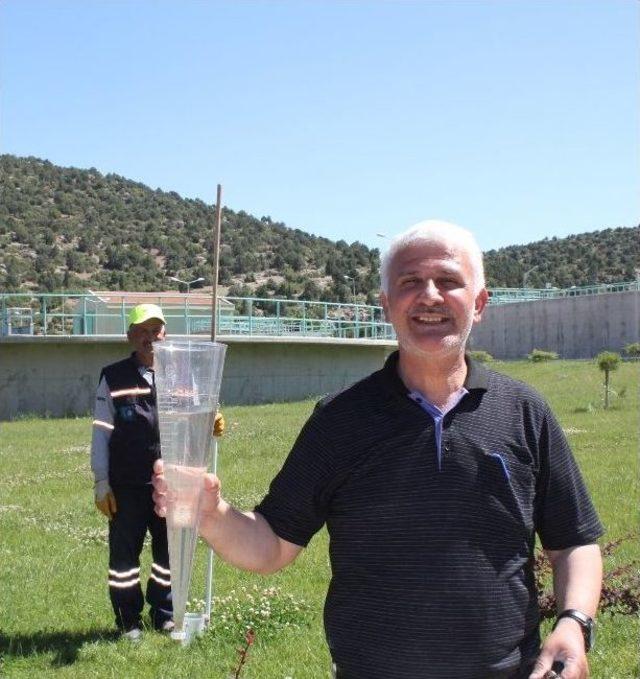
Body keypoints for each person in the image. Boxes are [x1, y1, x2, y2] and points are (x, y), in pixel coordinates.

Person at [153, 221, 603, 678]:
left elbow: (575, 542)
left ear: (480, 303)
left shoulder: (525, 411)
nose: (429, 295)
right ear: (386, 305)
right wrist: (210, 514)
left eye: (448, 281)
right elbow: (271, 545)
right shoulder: (339, 420)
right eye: (410, 282)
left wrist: (574, 622)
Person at [91, 303, 224, 640]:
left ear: (166, 334)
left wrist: (212, 419)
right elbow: (100, 432)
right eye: (142, 331)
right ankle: (128, 621)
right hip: (127, 484)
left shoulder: (182, 373)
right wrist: (101, 482)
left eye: (156, 330)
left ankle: (164, 613)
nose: (150, 337)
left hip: (173, 483)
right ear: (131, 336)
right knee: (124, 557)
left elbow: (196, 415)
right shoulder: (113, 376)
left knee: (169, 554)